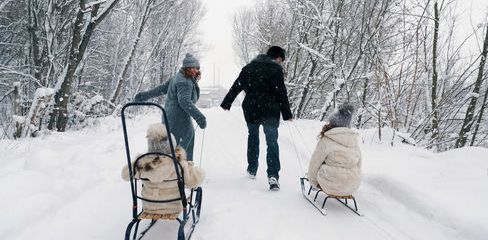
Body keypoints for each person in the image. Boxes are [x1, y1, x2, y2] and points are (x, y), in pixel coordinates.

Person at [220, 46, 292, 191]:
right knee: (272, 142)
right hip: (270, 111)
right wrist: (287, 114)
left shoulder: (249, 68)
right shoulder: (276, 69)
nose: (281, 62)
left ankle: (252, 169)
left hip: (251, 109)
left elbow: (237, 85)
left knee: (253, 137)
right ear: (277, 57)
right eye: (281, 59)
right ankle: (273, 176)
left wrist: (227, 102)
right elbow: (281, 92)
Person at [122, 123, 205, 215]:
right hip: (172, 207)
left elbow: (125, 175)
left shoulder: (141, 163)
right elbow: (193, 182)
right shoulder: (179, 164)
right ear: (171, 145)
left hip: (148, 206)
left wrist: (133, 163)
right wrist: (196, 170)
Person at [135, 53, 206, 161]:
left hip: (169, 117)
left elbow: (161, 89)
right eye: (194, 68)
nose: (196, 71)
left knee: (171, 146)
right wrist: (200, 117)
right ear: (188, 68)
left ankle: (173, 171)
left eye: (197, 68)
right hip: (179, 119)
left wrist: (144, 96)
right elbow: (184, 101)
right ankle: (182, 172)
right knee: (182, 147)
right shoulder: (185, 81)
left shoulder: (177, 78)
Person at [307, 103, 362, 196]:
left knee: (322, 162)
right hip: (352, 186)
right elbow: (359, 164)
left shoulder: (327, 139)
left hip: (331, 185)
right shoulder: (354, 140)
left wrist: (313, 182)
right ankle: (346, 185)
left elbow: (315, 163)